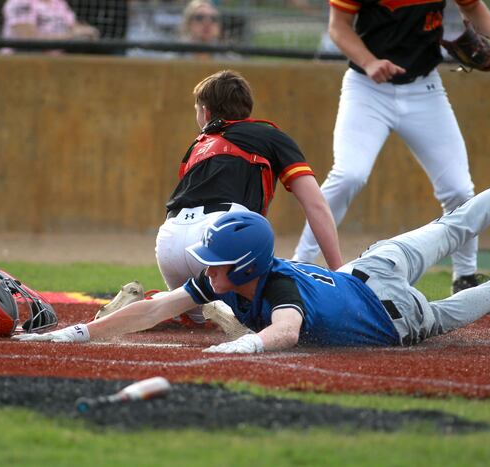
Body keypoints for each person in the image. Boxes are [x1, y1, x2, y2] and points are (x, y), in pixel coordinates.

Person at [13, 150, 490, 351]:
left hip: (396, 315)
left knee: (445, 314)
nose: (204, 268)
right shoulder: (231, 279)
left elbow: (286, 331)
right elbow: (155, 307)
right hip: (374, 267)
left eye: (215, 260)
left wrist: (232, 353)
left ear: (240, 266)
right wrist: (75, 333)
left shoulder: (274, 287)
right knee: (456, 222)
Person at [96, 70, 342, 326]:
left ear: (207, 113)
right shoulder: (270, 136)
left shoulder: (198, 144)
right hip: (220, 237)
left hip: (170, 241)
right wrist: (339, 271)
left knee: (194, 314)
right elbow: (316, 205)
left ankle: (160, 304)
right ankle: (229, 309)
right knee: (271, 307)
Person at [292, 0, 490, 294]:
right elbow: (338, 27)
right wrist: (369, 61)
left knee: (459, 189)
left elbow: (473, 6)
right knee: (349, 174)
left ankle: (465, 275)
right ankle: (298, 265)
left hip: (425, 90)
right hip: (367, 88)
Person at [1, 0, 100, 53]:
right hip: (20, 61)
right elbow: (28, 38)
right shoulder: (19, 2)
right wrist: (71, 36)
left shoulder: (58, 2)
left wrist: (88, 31)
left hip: (54, 61)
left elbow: (74, 26)